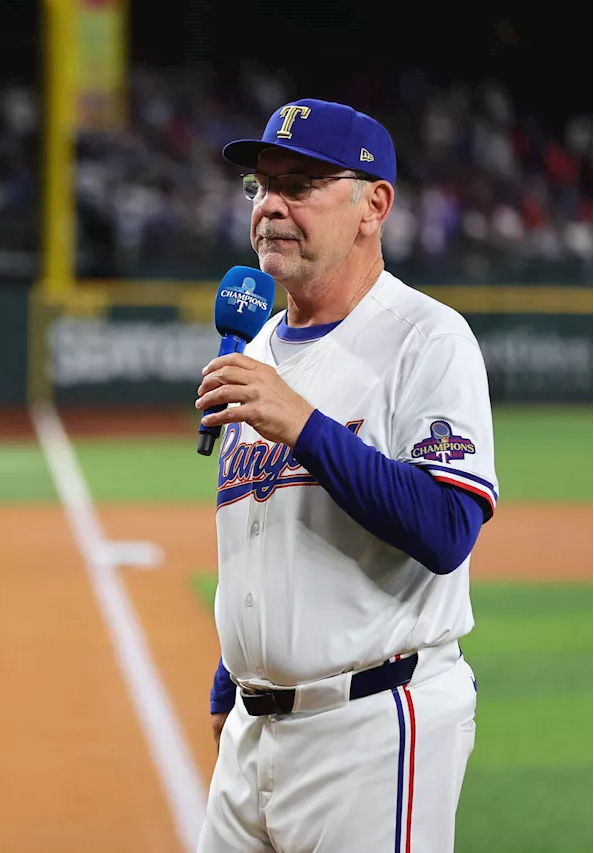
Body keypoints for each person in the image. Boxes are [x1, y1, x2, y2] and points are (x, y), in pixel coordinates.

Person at [193, 99, 497, 852]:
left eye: (300, 185)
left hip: (371, 730)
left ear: (374, 205)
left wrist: (303, 423)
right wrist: (234, 677)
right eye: (262, 187)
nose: (270, 206)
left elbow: (446, 528)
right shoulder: (257, 347)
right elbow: (269, 531)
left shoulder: (427, 337)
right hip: (254, 739)